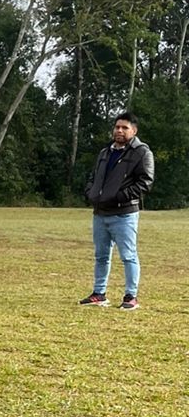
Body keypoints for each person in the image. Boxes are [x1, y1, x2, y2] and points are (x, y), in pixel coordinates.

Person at [81, 112, 154, 310]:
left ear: (134, 131)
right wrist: (91, 193)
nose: (119, 131)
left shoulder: (141, 152)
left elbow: (145, 182)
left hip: (124, 214)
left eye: (124, 128)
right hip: (100, 212)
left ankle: (131, 296)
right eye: (117, 127)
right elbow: (93, 176)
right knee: (101, 256)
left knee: (128, 256)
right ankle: (99, 294)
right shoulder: (105, 152)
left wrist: (118, 196)